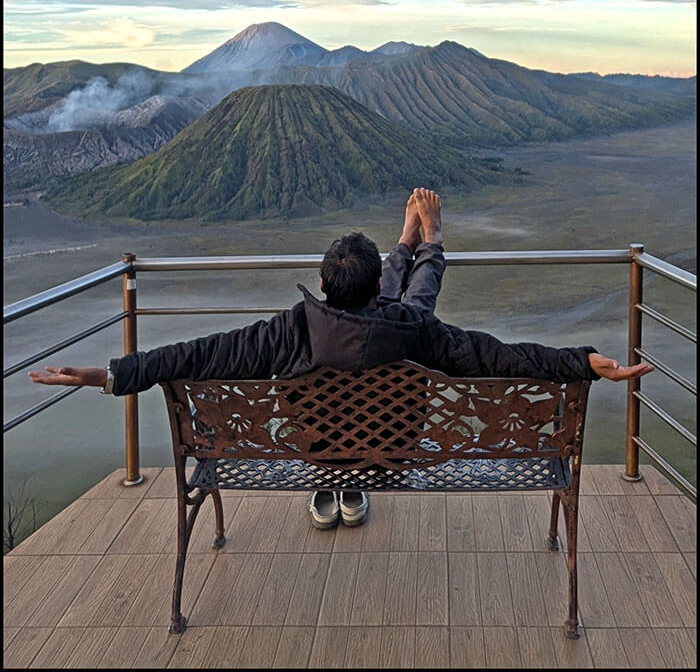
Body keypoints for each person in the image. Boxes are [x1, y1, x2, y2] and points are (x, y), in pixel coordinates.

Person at [29, 188, 653, 528]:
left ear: (325, 288)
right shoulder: (414, 329)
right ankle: (355, 486)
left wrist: (108, 374)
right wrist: (581, 358)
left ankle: (335, 484)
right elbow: (501, 354)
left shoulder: (290, 331)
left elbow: (195, 353)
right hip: (400, 447)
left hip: (317, 447)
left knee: (371, 360)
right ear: (369, 286)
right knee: (417, 320)